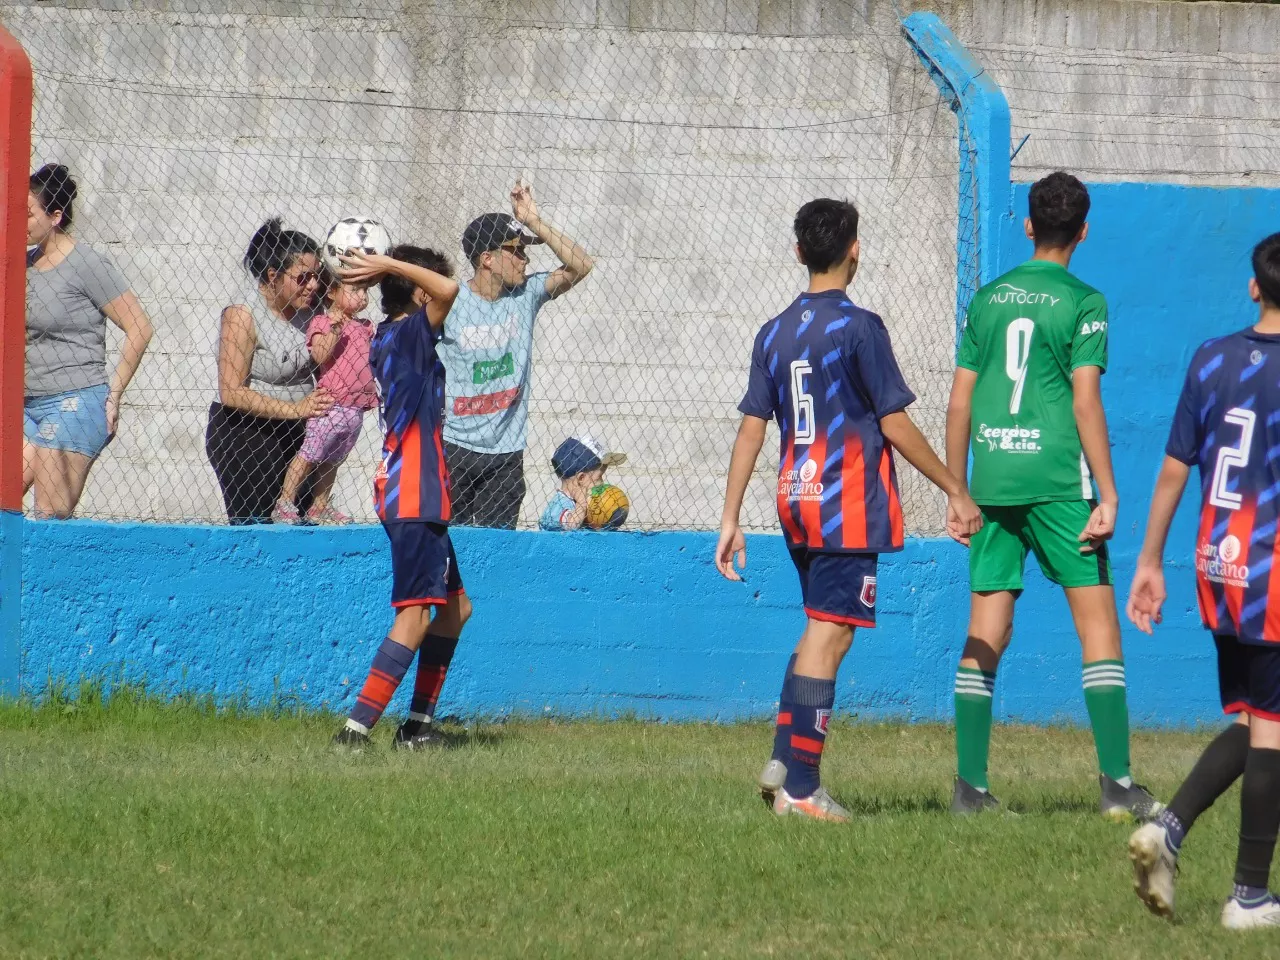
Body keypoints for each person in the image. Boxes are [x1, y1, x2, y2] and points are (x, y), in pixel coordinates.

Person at [716, 198, 983, 822]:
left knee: (818, 625)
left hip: (797, 499)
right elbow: (893, 422)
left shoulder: (773, 331)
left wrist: (730, 518)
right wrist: (954, 487)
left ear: (798, 252)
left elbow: (752, 429)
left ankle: (785, 761)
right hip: (845, 502)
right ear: (854, 249)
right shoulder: (860, 327)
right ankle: (803, 788)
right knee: (831, 633)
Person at [943, 171, 1161, 820]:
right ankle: (1118, 787)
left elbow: (959, 400)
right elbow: (1086, 399)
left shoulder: (986, 300)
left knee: (986, 628)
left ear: (1029, 225)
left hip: (993, 482)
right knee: (1097, 626)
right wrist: (1111, 493)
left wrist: (958, 488)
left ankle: (969, 789)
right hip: (1060, 482)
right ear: (1084, 231)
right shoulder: (1085, 302)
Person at [1126, 232, 1280, 930]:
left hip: (1220, 568)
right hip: (1274, 573)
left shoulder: (1211, 358)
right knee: (1273, 732)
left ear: (1255, 286)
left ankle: (1170, 829)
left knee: (1256, 724)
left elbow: (1172, 468)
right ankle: (1250, 896)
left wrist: (1151, 561)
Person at [331, 244, 465, 750]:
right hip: (413, 494)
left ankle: (416, 728)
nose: (443, 294)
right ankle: (355, 732)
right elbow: (448, 290)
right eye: (428, 283)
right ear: (414, 289)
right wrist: (388, 266)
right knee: (414, 615)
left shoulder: (395, 337)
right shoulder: (408, 333)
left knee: (455, 609)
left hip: (418, 492)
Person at [440, 179, 594, 529]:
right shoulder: (450, 303)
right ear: (488, 259)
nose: (525, 259)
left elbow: (581, 265)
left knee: (499, 548)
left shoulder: (526, 295)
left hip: (506, 454)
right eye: (517, 251)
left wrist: (533, 222)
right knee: (449, 545)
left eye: (526, 250)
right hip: (456, 447)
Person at [24, 163, 154, 518]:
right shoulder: (22, 264)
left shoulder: (86, 264)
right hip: (26, 404)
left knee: (50, 513)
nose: (19, 220)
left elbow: (140, 327)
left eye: (28, 213)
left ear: (55, 215)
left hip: (74, 400)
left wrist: (114, 396)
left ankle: (56, 574)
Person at [205, 218, 333, 525]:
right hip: (247, 435)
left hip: (300, 433)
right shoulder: (242, 315)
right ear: (273, 276)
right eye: (303, 278)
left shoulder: (313, 308)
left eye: (316, 276)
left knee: (301, 524)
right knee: (257, 526)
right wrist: (295, 409)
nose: (313, 285)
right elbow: (231, 391)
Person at [274, 278, 378, 525]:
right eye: (355, 290)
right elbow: (320, 356)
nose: (362, 296)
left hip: (355, 406)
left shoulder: (365, 326)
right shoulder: (323, 322)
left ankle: (319, 507)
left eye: (365, 291)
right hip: (332, 403)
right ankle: (285, 502)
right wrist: (335, 329)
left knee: (334, 459)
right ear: (331, 293)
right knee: (310, 453)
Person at [539, 434, 626, 531]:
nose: (602, 483)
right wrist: (581, 504)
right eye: (599, 478)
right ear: (581, 478)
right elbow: (570, 526)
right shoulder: (560, 504)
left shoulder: (579, 502)